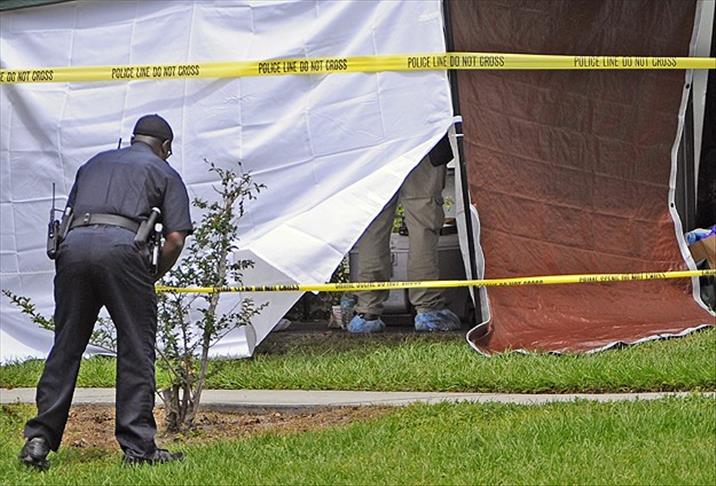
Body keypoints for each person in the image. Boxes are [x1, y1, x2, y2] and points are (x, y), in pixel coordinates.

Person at [19, 114, 193, 469]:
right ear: (165, 146)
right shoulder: (164, 172)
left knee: (66, 346)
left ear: (133, 139)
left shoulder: (94, 163)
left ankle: (38, 440)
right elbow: (175, 238)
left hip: (73, 249)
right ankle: (138, 448)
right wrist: (152, 274)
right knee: (135, 348)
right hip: (123, 251)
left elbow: (71, 214)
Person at [347, 133, 462, 333]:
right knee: (423, 223)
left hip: (372, 142)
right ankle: (429, 308)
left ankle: (367, 311)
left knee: (373, 225)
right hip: (422, 138)